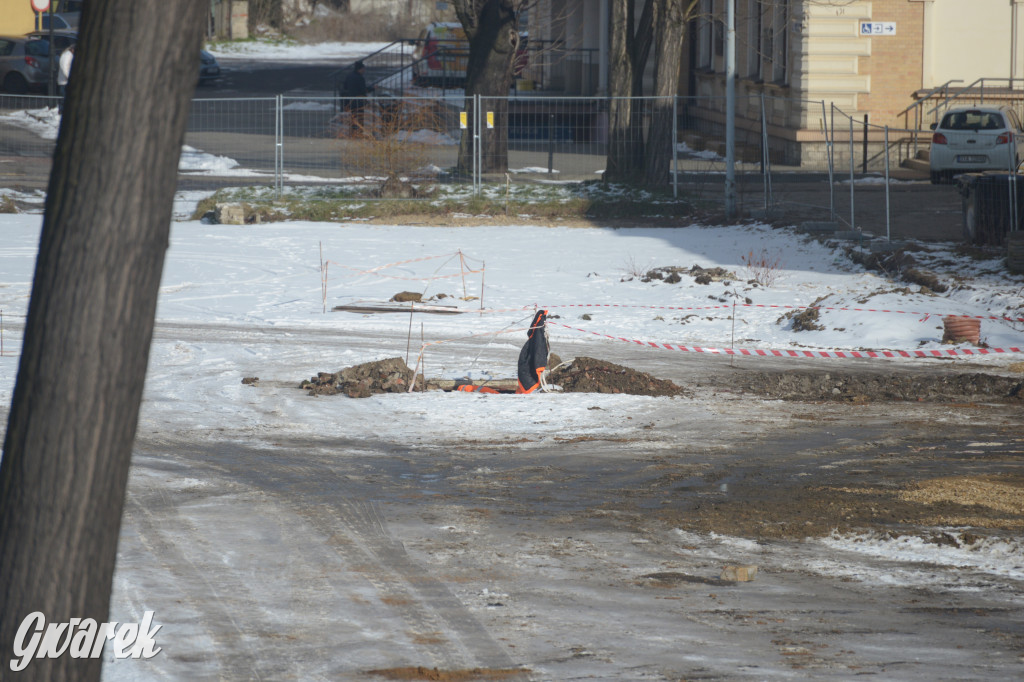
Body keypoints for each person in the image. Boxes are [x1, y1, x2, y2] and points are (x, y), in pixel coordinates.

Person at [341, 61, 374, 136]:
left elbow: (345, 86)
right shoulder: (360, 78)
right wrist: (372, 89)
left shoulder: (349, 76)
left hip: (351, 99)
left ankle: (352, 131)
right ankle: (359, 132)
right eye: (363, 69)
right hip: (359, 100)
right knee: (360, 117)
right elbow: (363, 90)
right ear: (360, 69)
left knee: (353, 116)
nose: (364, 71)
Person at [57, 44, 75, 112]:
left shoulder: (68, 55)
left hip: (64, 80)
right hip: (64, 81)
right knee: (63, 98)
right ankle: (61, 112)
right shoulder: (67, 55)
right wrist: (69, 77)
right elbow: (65, 68)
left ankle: (63, 111)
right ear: (72, 49)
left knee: (64, 98)